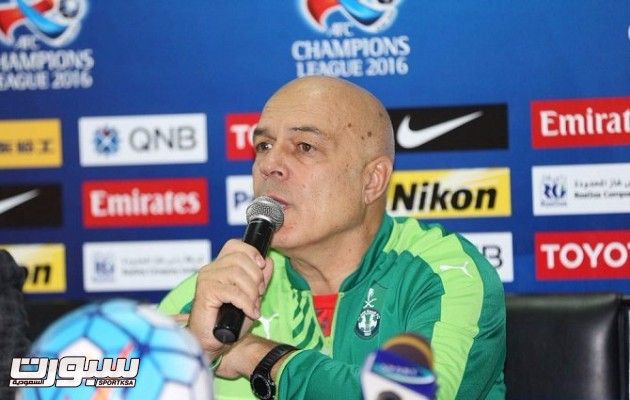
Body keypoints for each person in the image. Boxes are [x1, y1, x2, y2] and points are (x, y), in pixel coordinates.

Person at [159, 76, 506, 399]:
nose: (270, 164)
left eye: (305, 147)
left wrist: (255, 354)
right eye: (263, 145)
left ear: (371, 180)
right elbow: (122, 375)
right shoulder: (220, 291)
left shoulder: (442, 276)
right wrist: (190, 351)